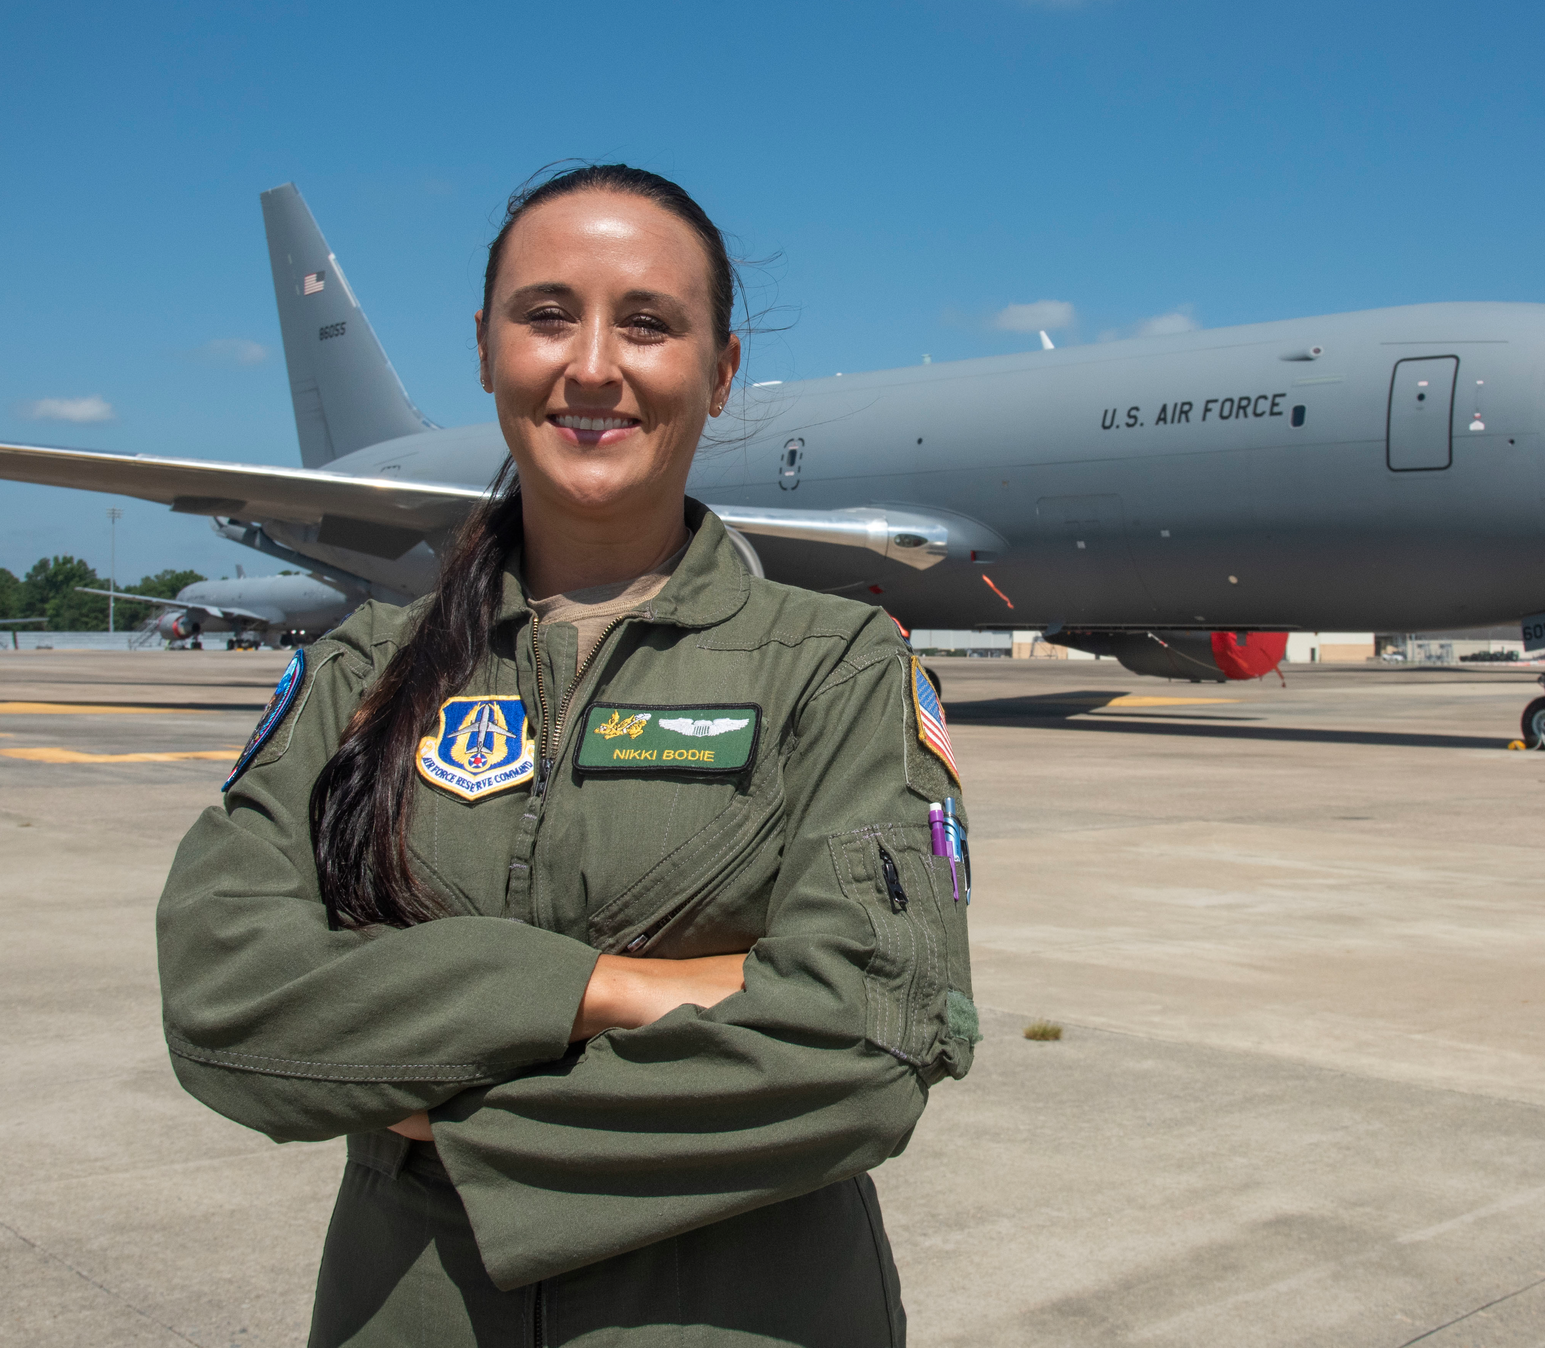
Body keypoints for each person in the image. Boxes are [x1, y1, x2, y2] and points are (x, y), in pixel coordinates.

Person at [156, 165, 978, 1346]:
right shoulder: (362, 672)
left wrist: (425, 1081)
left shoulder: (838, 666)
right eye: (548, 314)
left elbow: (868, 1040)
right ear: (486, 350)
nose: (594, 362)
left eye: (648, 321)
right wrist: (611, 989)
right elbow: (224, 998)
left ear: (722, 369)